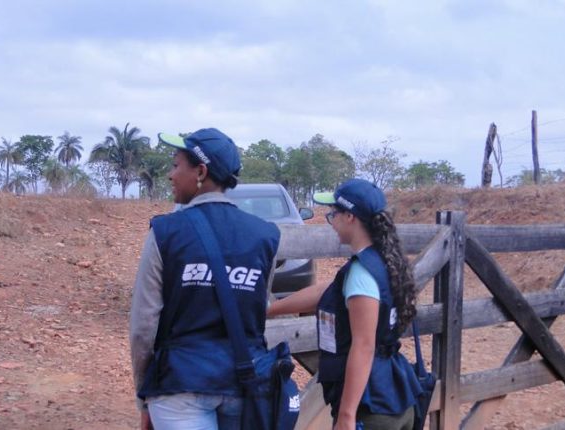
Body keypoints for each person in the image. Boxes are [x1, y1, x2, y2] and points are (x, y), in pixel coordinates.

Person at [129, 128, 281, 430]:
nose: (171, 175)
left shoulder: (165, 232)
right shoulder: (266, 236)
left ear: (200, 171)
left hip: (179, 385)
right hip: (244, 383)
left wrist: (145, 394)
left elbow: (143, 326)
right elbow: (257, 310)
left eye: (176, 165)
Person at [268, 179, 422, 430]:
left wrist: (347, 416)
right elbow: (327, 291)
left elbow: (363, 346)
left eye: (333, 214)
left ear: (350, 217)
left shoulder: (362, 271)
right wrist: (269, 310)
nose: (331, 221)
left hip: (371, 408)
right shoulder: (383, 260)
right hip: (394, 395)